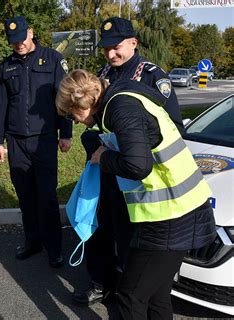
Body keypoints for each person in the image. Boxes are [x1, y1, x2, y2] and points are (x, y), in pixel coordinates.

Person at [56, 69, 216, 319]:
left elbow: (138, 166)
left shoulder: (120, 108)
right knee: (157, 296)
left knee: (131, 296)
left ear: (83, 101)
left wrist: (104, 157)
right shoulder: (125, 97)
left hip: (171, 216)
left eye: (71, 113)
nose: (73, 121)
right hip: (182, 208)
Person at [74, 16, 185, 305]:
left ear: (133, 43)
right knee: (101, 229)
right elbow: (95, 124)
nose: (111, 54)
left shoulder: (151, 76)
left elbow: (172, 126)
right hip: (107, 170)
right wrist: (92, 143)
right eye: (106, 48)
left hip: (137, 176)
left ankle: (127, 287)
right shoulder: (101, 74)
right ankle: (101, 281)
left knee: (128, 237)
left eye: (117, 46)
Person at [0, 16, 72, 268]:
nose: (19, 45)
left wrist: (66, 133)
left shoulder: (53, 60)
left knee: (46, 196)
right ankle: (32, 241)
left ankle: (54, 248)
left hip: (45, 139)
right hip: (16, 141)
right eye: (13, 42)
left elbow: (64, 98)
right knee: (25, 195)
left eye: (22, 39)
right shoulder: (7, 66)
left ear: (31, 32)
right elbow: (0, 104)